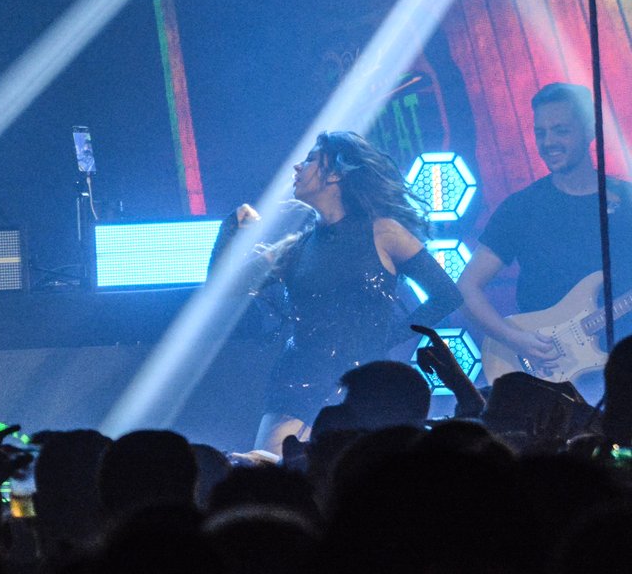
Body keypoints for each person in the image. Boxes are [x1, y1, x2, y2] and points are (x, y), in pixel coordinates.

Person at [225, 132, 462, 453]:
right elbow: (224, 288)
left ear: (336, 173)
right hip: (296, 384)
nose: (297, 167)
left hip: (365, 386)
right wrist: (231, 230)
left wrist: (387, 337)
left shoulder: (384, 231)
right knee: (276, 468)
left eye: (310, 159)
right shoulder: (295, 248)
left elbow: (446, 295)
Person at [457, 83, 632, 382]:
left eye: (561, 131)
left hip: (622, 372)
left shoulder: (626, 201)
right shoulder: (521, 208)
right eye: (541, 133)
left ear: (590, 131)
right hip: (546, 375)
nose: (549, 142)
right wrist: (516, 339)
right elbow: (466, 288)